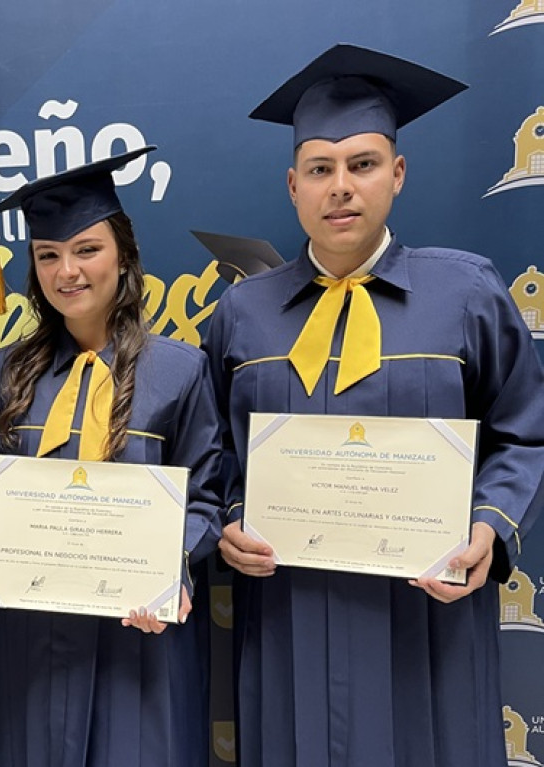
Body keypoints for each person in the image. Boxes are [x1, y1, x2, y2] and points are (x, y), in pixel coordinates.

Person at [203, 44, 544, 767]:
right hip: (290, 610)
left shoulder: (466, 294)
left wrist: (489, 527)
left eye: (361, 164)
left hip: (428, 613)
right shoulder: (242, 314)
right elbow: (213, 455)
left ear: (396, 173)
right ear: (293, 184)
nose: (341, 187)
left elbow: (522, 430)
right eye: (320, 169)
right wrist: (229, 520)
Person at [0, 148, 224, 767]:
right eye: (48, 256)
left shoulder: (180, 372)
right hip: (29, 639)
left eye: (86, 249)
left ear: (124, 256)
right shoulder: (9, 371)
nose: (67, 272)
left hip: (140, 638)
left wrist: (170, 565)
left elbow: (208, 499)